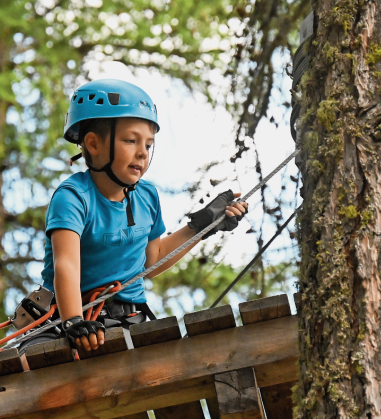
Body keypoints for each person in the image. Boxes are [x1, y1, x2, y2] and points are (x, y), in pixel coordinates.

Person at [40, 79, 248, 352]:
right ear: (92, 144)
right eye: (130, 140)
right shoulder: (73, 197)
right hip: (75, 321)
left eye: (149, 145)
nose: (142, 153)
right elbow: (65, 264)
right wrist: (74, 321)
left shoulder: (146, 196)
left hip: (130, 320)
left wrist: (200, 226)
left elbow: (152, 261)